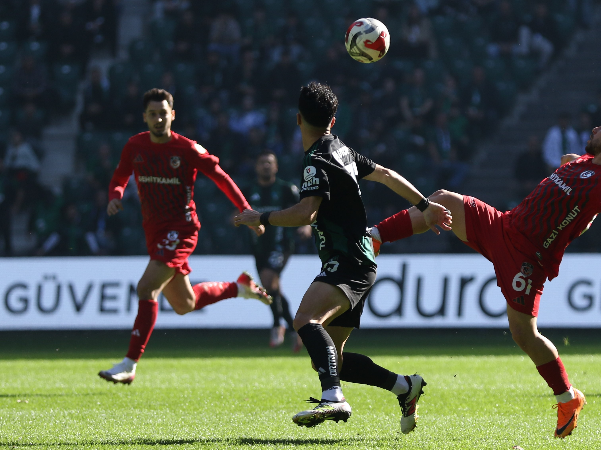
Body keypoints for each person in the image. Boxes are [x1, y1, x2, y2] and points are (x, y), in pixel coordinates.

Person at [369, 99, 601, 438]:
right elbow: (579, 195)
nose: (596, 127)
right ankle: (374, 236)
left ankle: (567, 398)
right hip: (504, 226)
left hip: (528, 258)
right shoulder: (581, 163)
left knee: (524, 334)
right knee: (443, 199)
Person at [234, 82, 452, 432]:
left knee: (305, 320)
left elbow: (306, 213)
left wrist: (262, 216)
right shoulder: (342, 150)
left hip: (347, 259)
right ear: (333, 121)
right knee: (332, 357)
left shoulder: (316, 159)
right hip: (359, 259)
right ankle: (405, 386)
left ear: (297, 119)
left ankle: (333, 398)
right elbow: (386, 175)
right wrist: (425, 205)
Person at [98, 88, 272, 385]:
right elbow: (120, 175)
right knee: (184, 304)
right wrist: (115, 195)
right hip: (154, 231)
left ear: (172, 114)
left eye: (163, 113)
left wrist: (246, 210)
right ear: (145, 117)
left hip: (182, 229)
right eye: (152, 114)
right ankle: (239, 287)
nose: (158, 118)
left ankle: (129, 364)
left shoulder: (187, 149)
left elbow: (221, 177)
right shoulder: (135, 146)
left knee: (146, 289)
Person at [244, 151, 311, 350]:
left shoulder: (286, 189)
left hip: (281, 244)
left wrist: (306, 226)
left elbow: (304, 210)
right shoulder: (249, 190)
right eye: (262, 162)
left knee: (267, 280)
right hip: (258, 246)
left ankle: (276, 326)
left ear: (276, 167)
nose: (266, 165)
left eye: (269, 163)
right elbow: (237, 213)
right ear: (256, 166)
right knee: (272, 288)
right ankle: (295, 330)